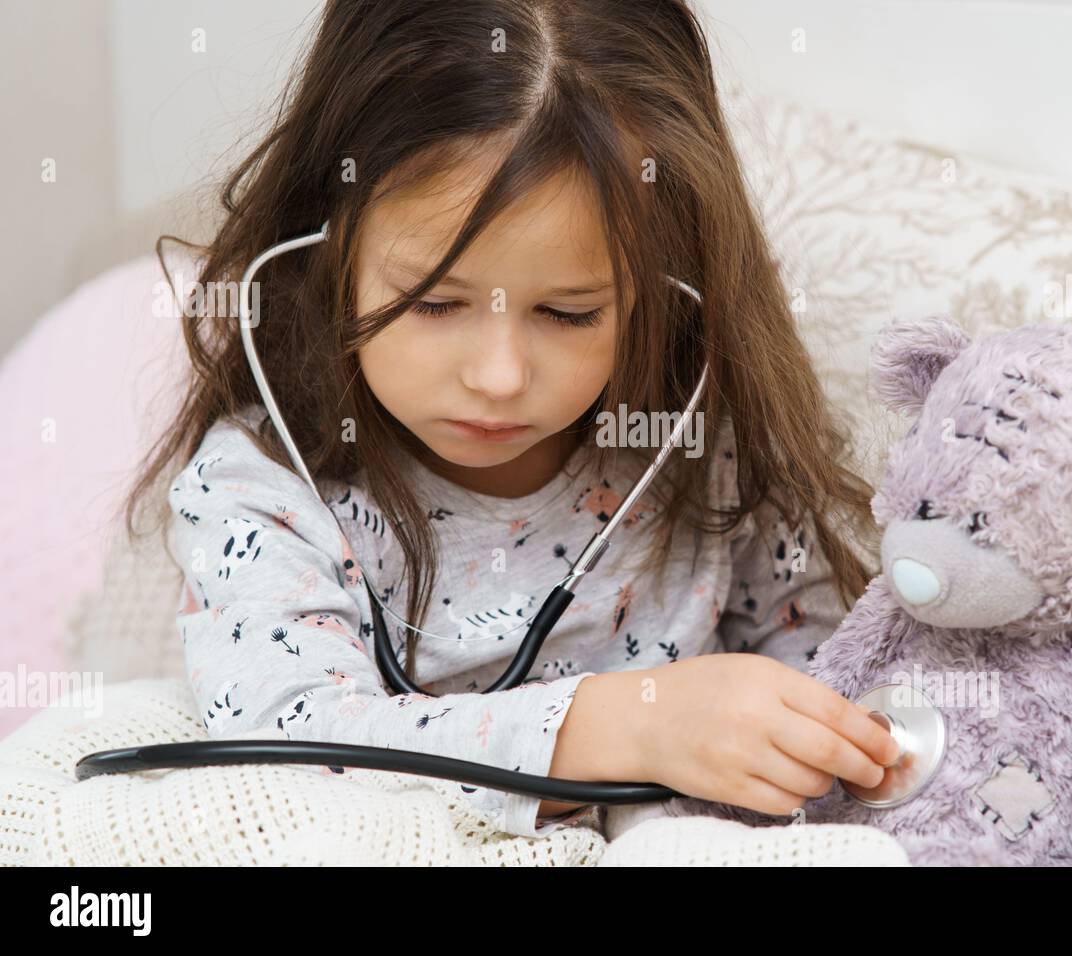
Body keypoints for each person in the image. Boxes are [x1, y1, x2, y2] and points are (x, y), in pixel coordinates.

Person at [123, 0, 899, 842]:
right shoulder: (260, 490)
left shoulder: (699, 447)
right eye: (433, 302)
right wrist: (630, 725)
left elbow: (838, 667)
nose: (499, 379)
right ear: (326, 252)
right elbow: (284, 749)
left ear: (656, 289)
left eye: (568, 313)